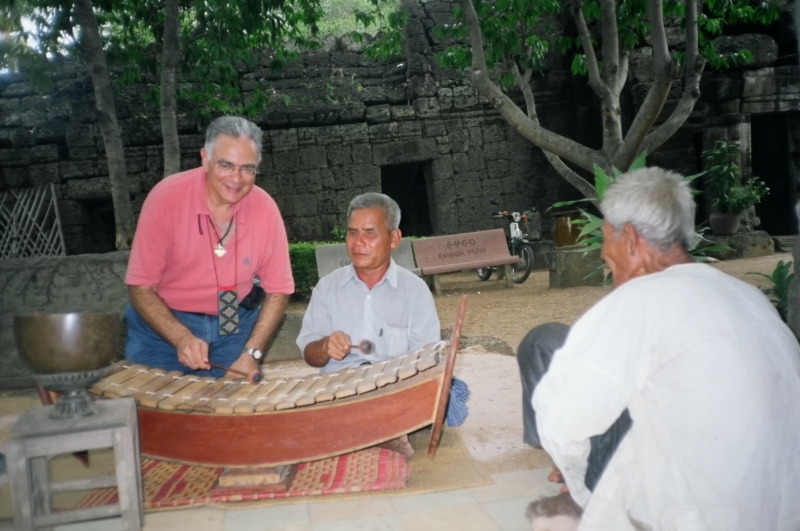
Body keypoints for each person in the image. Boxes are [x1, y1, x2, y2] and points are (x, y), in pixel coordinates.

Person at [518, 167, 800, 530]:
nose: (605, 254)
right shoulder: (747, 296)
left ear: (631, 238)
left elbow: (561, 422)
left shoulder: (641, 300)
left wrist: (583, 497)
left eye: (607, 243)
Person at [124, 116, 294, 382]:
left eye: (248, 169)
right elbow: (140, 287)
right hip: (166, 323)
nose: (236, 179)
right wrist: (181, 337)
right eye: (226, 165)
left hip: (231, 318)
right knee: (156, 412)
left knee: (236, 411)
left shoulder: (266, 209)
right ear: (205, 158)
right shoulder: (166, 199)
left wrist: (252, 353)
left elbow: (279, 289)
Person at [296, 192, 440, 456]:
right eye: (352, 232)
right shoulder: (327, 288)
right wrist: (325, 346)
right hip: (339, 390)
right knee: (304, 410)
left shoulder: (415, 291)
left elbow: (426, 362)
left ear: (394, 238)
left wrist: (389, 390)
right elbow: (310, 356)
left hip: (393, 390)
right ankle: (379, 433)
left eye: (370, 233)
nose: (358, 242)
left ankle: (371, 430)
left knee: (445, 394)